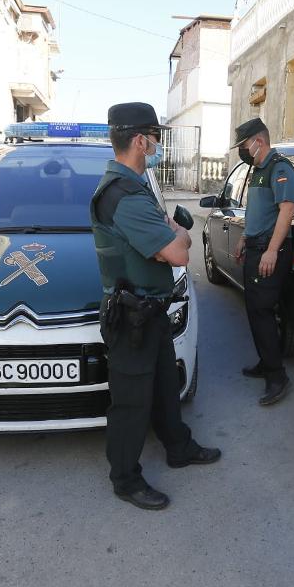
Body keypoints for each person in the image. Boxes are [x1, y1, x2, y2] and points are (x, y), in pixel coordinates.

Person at [90, 102, 221, 510]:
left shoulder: (135, 185)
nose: (158, 145)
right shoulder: (124, 195)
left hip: (150, 310)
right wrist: (179, 236)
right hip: (132, 315)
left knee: (165, 384)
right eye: (155, 137)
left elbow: (168, 240)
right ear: (139, 140)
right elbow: (179, 252)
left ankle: (178, 447)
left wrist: (173, 237)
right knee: (131, 402)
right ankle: (125, 478)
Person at [231, 118, 294, 406]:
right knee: (255, 311)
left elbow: (287, 211)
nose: (243, 150)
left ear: (259, 141)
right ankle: (266, 361)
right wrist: (245, 237)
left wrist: (272, 250)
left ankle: (277, 376)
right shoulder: (258, 170)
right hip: (255, 247)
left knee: (262, 312)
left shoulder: (279, 167)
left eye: (245, 145)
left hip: (269, 252)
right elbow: (259, 211)